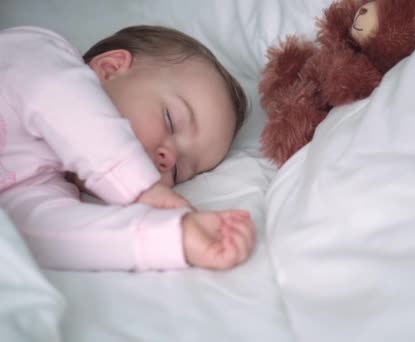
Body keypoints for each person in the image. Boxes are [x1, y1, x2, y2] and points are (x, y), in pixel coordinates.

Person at [0, 25, 255, 271]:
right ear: (109, 68)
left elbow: (44, 235)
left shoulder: (43, 182)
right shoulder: (39, 54)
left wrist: (175, 237)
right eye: (170, 119)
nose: (169, 158)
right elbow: (60, 97)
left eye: (177, 171)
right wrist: (139, 185)